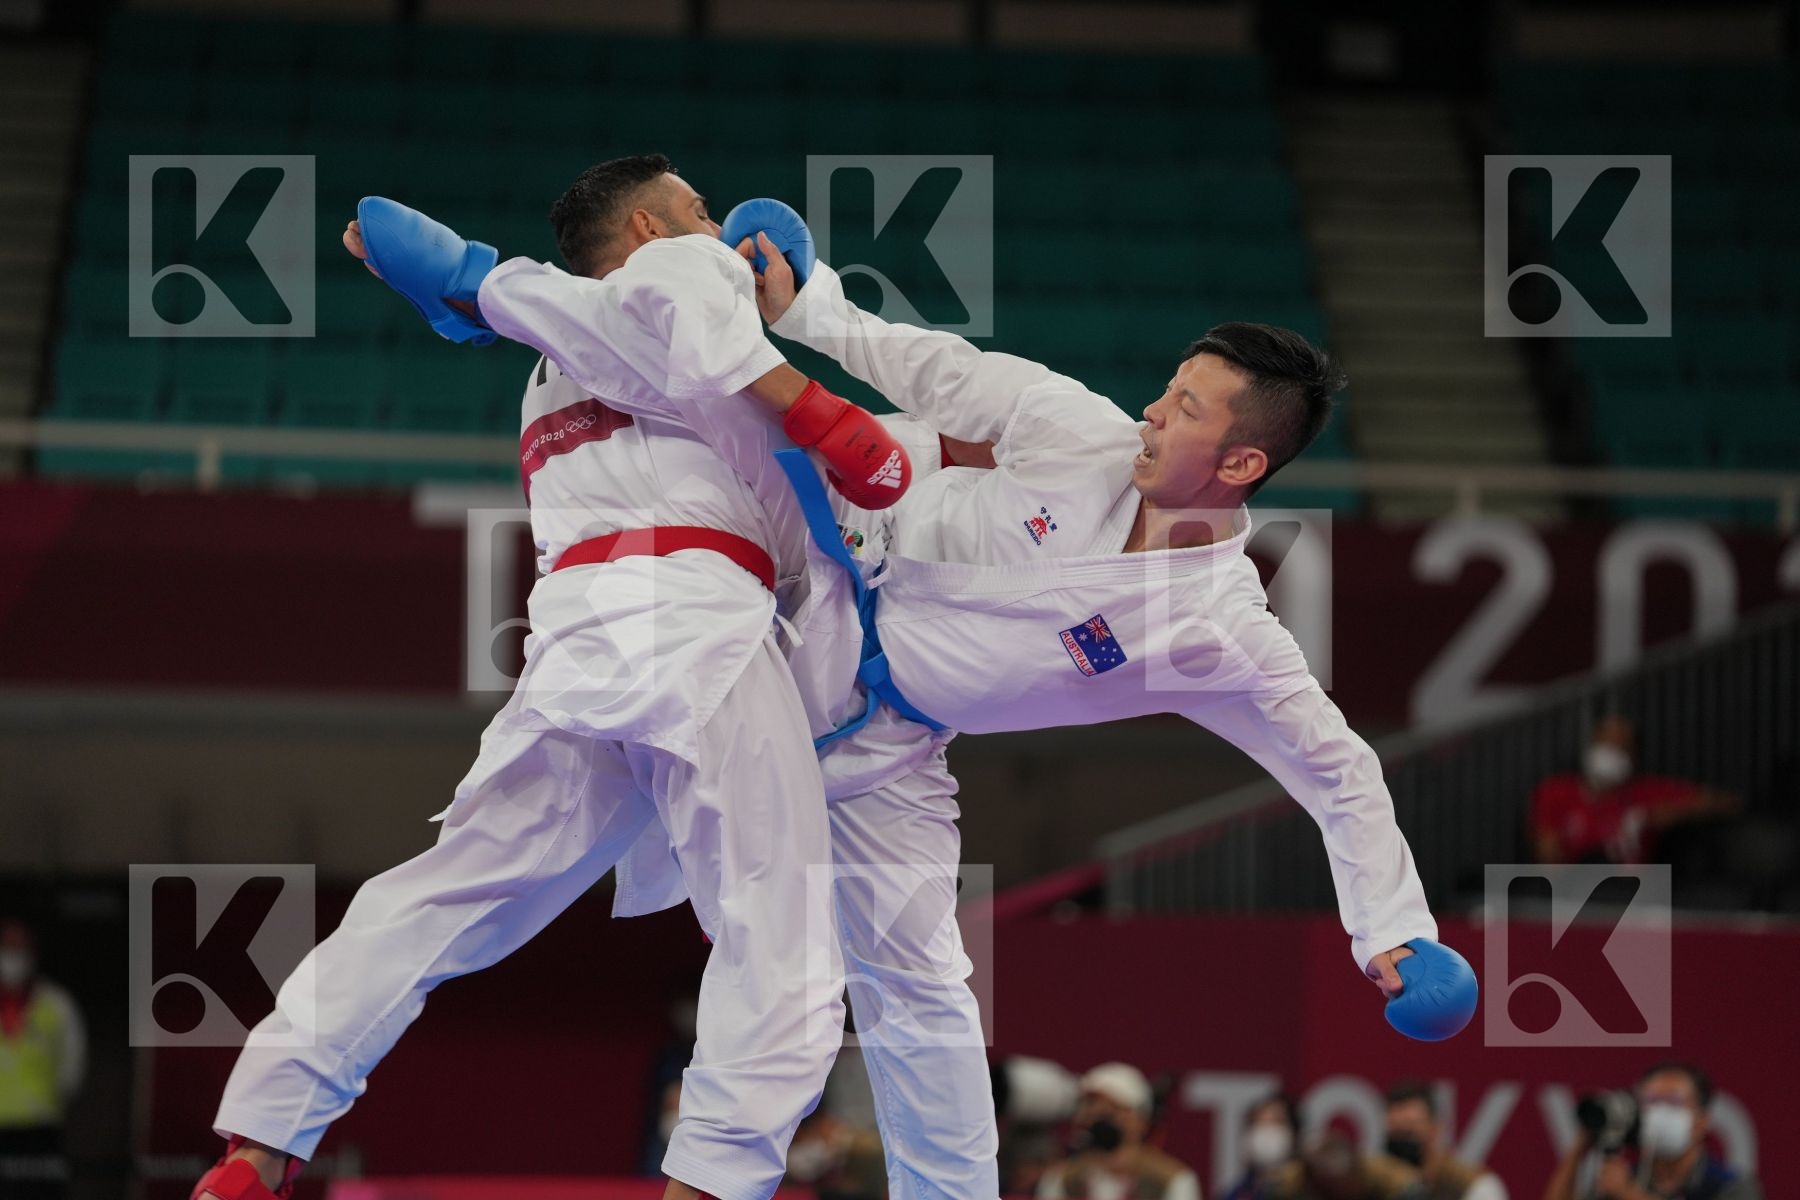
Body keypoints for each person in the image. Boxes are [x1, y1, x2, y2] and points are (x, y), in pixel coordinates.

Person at [191, 162, 885, 1200]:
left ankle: (260, 1139)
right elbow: (739, 392)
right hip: (693, 620)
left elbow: (399, 230)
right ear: (653, 226)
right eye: (699, 211)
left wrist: (464, 291)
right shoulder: (683, 281)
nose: (717, 229)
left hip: (579, 642)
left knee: (443, 895)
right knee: (777, 932)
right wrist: (830, 414)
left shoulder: (550, 367)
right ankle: (709, 1184)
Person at [1531, 716, 1739, 866]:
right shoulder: (1555, 790)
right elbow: (1548, 857)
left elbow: (1728, 803)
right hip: (1574, 888)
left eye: (1620, 746)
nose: (1610, 752)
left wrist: (1674, 813)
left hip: (1630, 893)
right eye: (1604, 742)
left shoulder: (1646, 792)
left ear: (1633, 756)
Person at [1541, 1062, 1761, 1200]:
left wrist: (1628, 1194)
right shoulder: (1625, 1177)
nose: (1659, 1112)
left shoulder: (1730, 1185)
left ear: (1702, 1121)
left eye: (1673, 1102)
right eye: (1651, 1102)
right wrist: (1581, 1143)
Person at [0, 917, 86, 1199]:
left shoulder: (57, 1003)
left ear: (33, 952)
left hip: (40, 1131)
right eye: (7, 945)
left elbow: (72, 1068)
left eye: (20, 947)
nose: (13, 954)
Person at [1037, 1063, 1200, 1200]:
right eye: (1092, 1111)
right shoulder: (1061, 1179)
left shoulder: (1171, 1180)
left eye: (1111, 1112)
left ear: (1139, 1120)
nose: (1098, 1121)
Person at [1380, 1080, 1505, 1200]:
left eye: (1409, 1131)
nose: (1400, 1141)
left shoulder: (1474, 1187)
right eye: (1394, 1133)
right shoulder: (1376, 1185)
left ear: (1436, 1129)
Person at [1222, 1094, 1303, 1200]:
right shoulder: (1238, 1194)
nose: (1265, 1131)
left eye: (1275, 1122)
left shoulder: (1310, 1190)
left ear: (1294, 1133)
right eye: (1258, 1123)